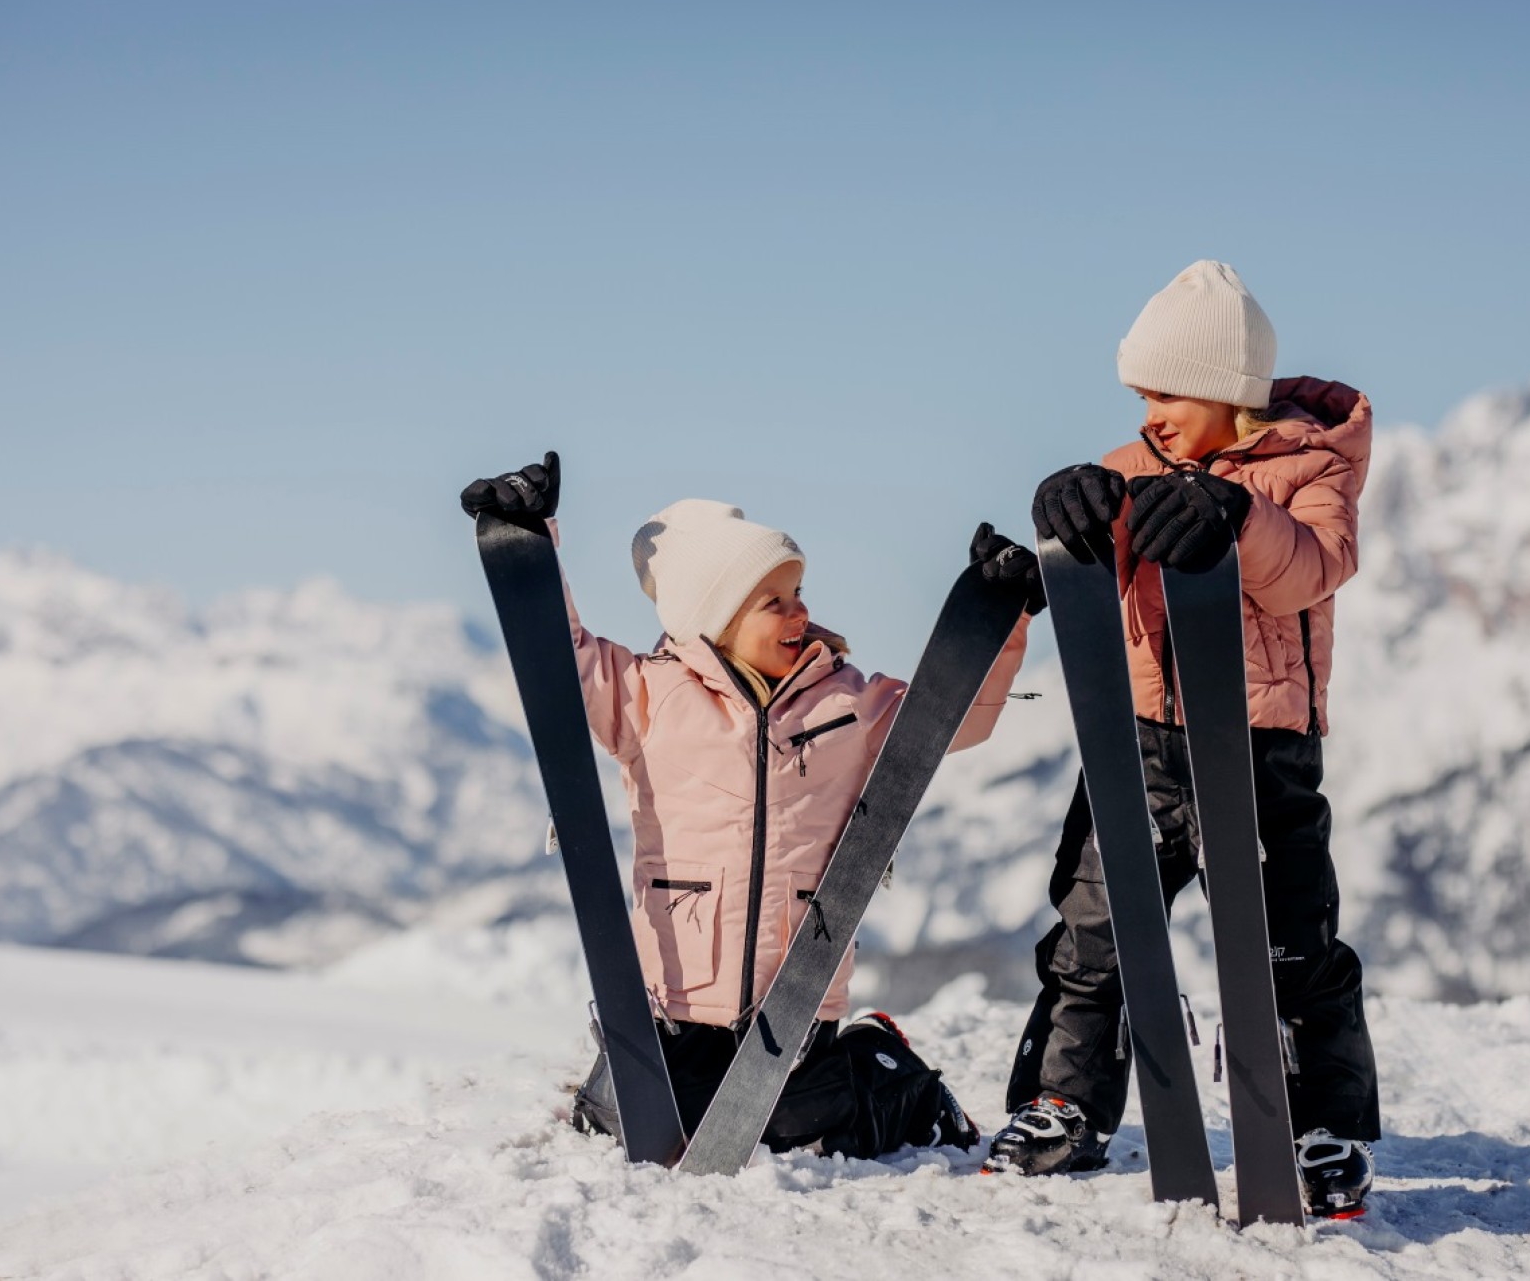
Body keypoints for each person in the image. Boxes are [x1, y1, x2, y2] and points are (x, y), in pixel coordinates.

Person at [460, 453, 1043, 1159]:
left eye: (799, 592)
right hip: (677, 1000)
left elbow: (954, 719)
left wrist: (1001, 620)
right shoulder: (645, 695)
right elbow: (560, 655)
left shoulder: (848, 702)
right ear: (716, 618)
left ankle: (892, 1077)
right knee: (637, 1122)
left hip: (795, 997)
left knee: (794, 1129)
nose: (801, 612)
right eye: (775, 602)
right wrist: (529, 539)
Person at [986, 261, 1381, 1217]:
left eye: (1165, 394)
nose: (1150, 415)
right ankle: (1062, 1106)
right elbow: (1091, 570)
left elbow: (1312, 568)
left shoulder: (1311, 467)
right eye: (1140, 397)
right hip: (1136, 747)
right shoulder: (1132, 469)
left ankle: (1318, 1128)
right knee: (1095, 934)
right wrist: (1063, 520)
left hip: (1260, 754)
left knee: (1289, 947)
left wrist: (1238, 516)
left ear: (1226, 389)